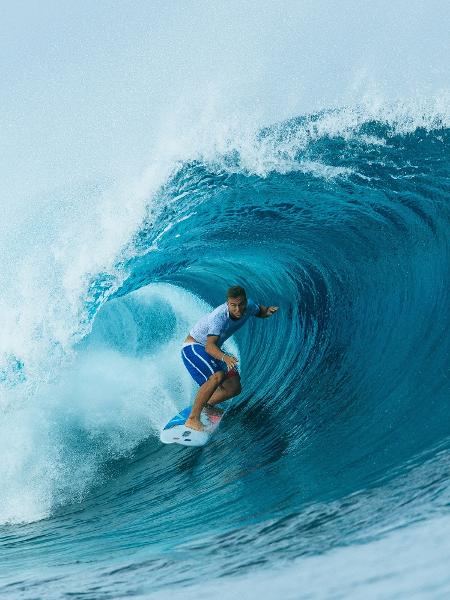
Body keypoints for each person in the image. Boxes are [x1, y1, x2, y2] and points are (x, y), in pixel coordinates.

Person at [181, 285, 278, 431]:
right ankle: (192, 419)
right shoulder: (219, 317)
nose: (238, 309)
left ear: (245, 301)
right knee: (217, 376)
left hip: (212, 349)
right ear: (227, 303)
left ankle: (207, 406)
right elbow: (209, 346)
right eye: (233, 305)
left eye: (241, 305)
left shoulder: (250, 306)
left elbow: (260, 311)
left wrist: (268, 311)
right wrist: (224, 357)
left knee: (234, 388)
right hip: (194, 346)